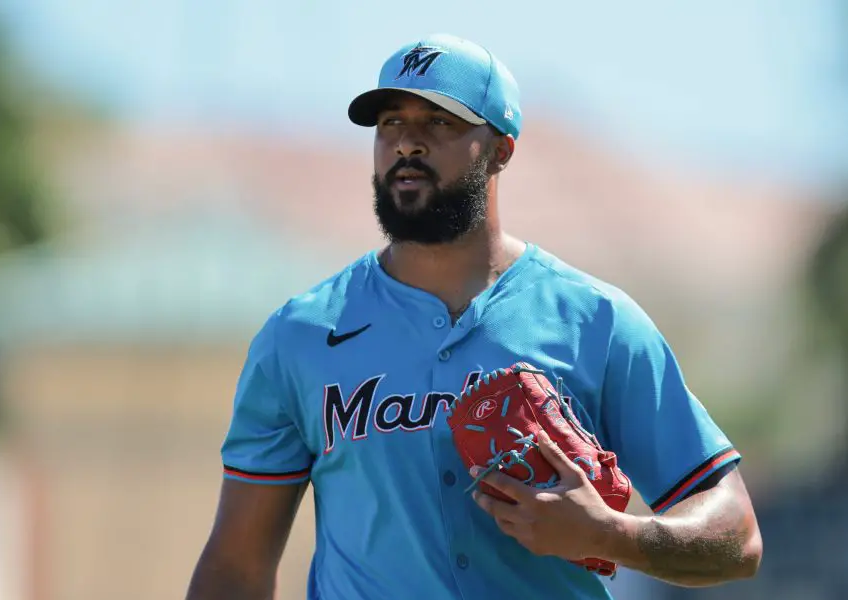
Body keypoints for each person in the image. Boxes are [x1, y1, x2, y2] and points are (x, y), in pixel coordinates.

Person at [185, 33, 762, 600]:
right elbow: (235, 568)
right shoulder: (300, 336)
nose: (407, 143)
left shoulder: (596, 322)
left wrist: (611, 535)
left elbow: (736, 537)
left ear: (501, 150)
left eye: (439, 122)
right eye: (390, 122)